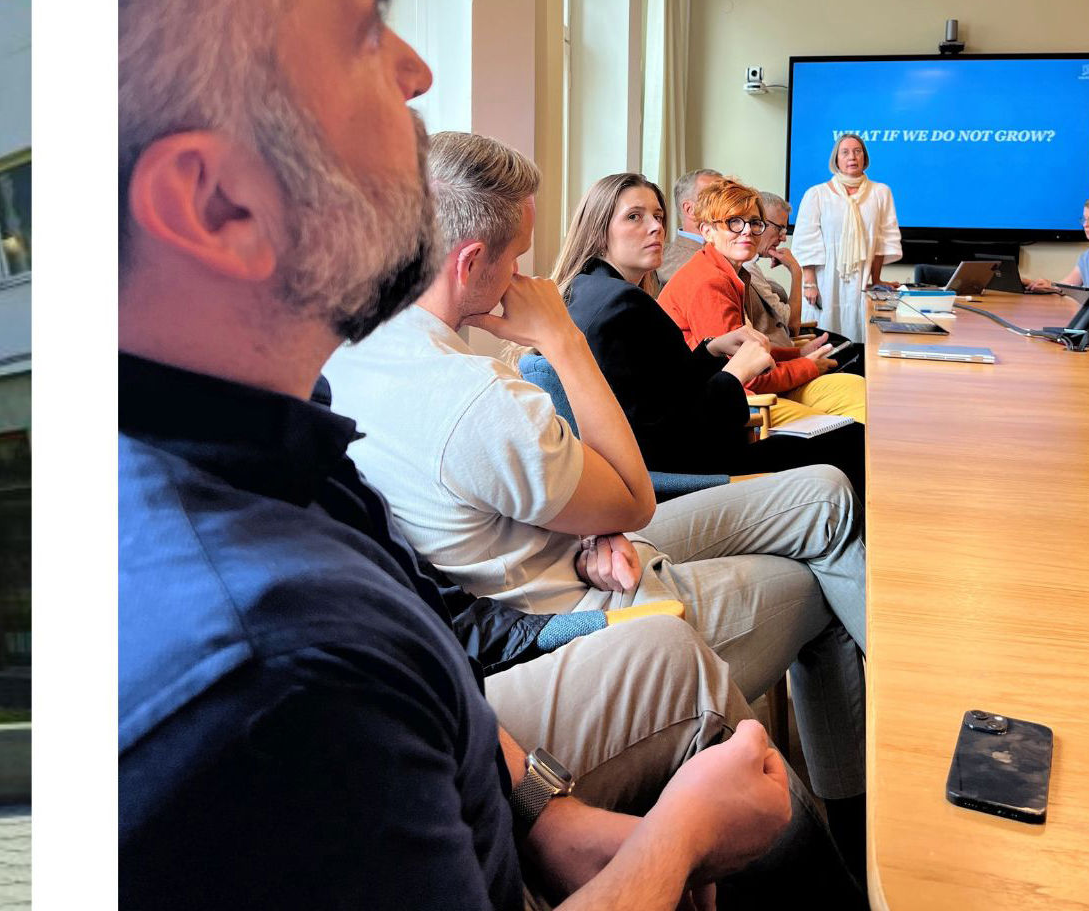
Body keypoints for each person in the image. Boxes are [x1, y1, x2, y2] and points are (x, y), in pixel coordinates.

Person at [115, 0, 795, 911]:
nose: (419, 68)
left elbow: (450, 684)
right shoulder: (268, 673)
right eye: (360, 37)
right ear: (215, 204)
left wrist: (542, 808)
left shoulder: (274, 451)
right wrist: (678, 834)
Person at [323, 134, 867, 806]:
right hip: (591, 603)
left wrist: (586, 531)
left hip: (581, 551)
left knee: (826, 495)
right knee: (815, 581)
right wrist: (563, 341)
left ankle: (852, 796)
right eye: (519, 256)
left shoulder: (345, 357)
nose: (529, 277)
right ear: (469, 264)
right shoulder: (479, 397)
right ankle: (855, 802)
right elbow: (634, 499)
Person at [554, 173, 865, 486]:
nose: (656, 227)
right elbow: (667, 430)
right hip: (695, 474)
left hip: (689, 456)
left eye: (658, 216)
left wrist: (711, 349)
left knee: (849, 421)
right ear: (599, 228)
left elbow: (660, 390)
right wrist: (736, 374)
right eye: (634, 217)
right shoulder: (622, 304)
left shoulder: (590, 289)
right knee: (852, 438)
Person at [667, 182, 867, 423]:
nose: (747, 231)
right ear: (707, 231)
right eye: (734, 222)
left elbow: (747, 352)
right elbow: (744, 375)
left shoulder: (729, 271)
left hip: (751, 388)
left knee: (858, 390)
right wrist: (807, 366)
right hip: (729, 404)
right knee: (844, 427)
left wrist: (797, 353)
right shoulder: (709, 283)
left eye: (754, 222)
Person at [790, 133, 899, 346]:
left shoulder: (880, 193)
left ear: (865, 158)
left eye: (857, 151)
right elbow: (806, 240)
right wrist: (809, 283)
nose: (852, 157)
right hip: (824, 280)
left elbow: (880, 240)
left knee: (857, 336)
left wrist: (876, 280)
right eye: (845, 152)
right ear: (836, 159)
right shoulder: (817, 194)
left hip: (860, 280)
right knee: (824, 337)